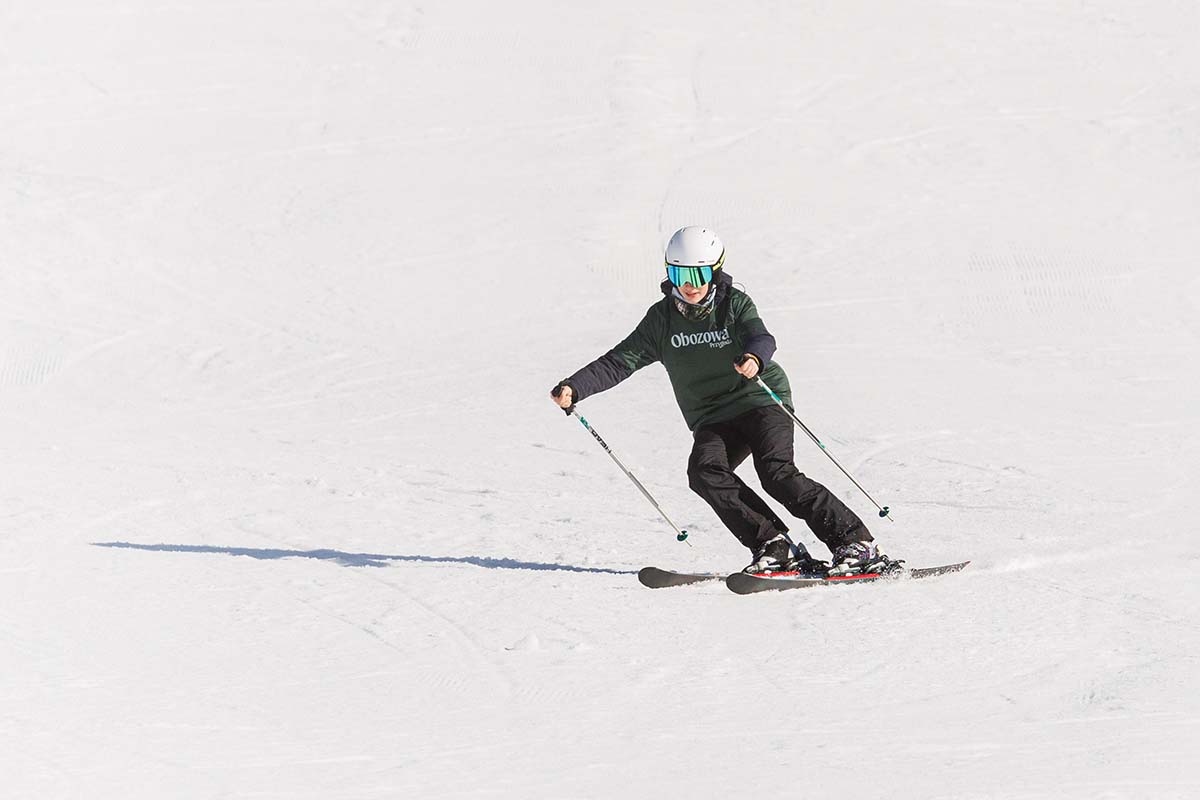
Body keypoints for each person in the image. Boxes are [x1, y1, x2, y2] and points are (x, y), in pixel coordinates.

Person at [550, 226, 896, 576]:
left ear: (714, 271)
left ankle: (856, 543)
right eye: (679, 275)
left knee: (776, 473)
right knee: (704, 472)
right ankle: (774, 545)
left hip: (760, 399)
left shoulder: (733, 303)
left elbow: (761, 337)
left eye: (698, 274)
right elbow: (617, 362)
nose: (690, 284)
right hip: (712, 415)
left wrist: (755, 358)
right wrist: (575, 388)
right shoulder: (661, 320)